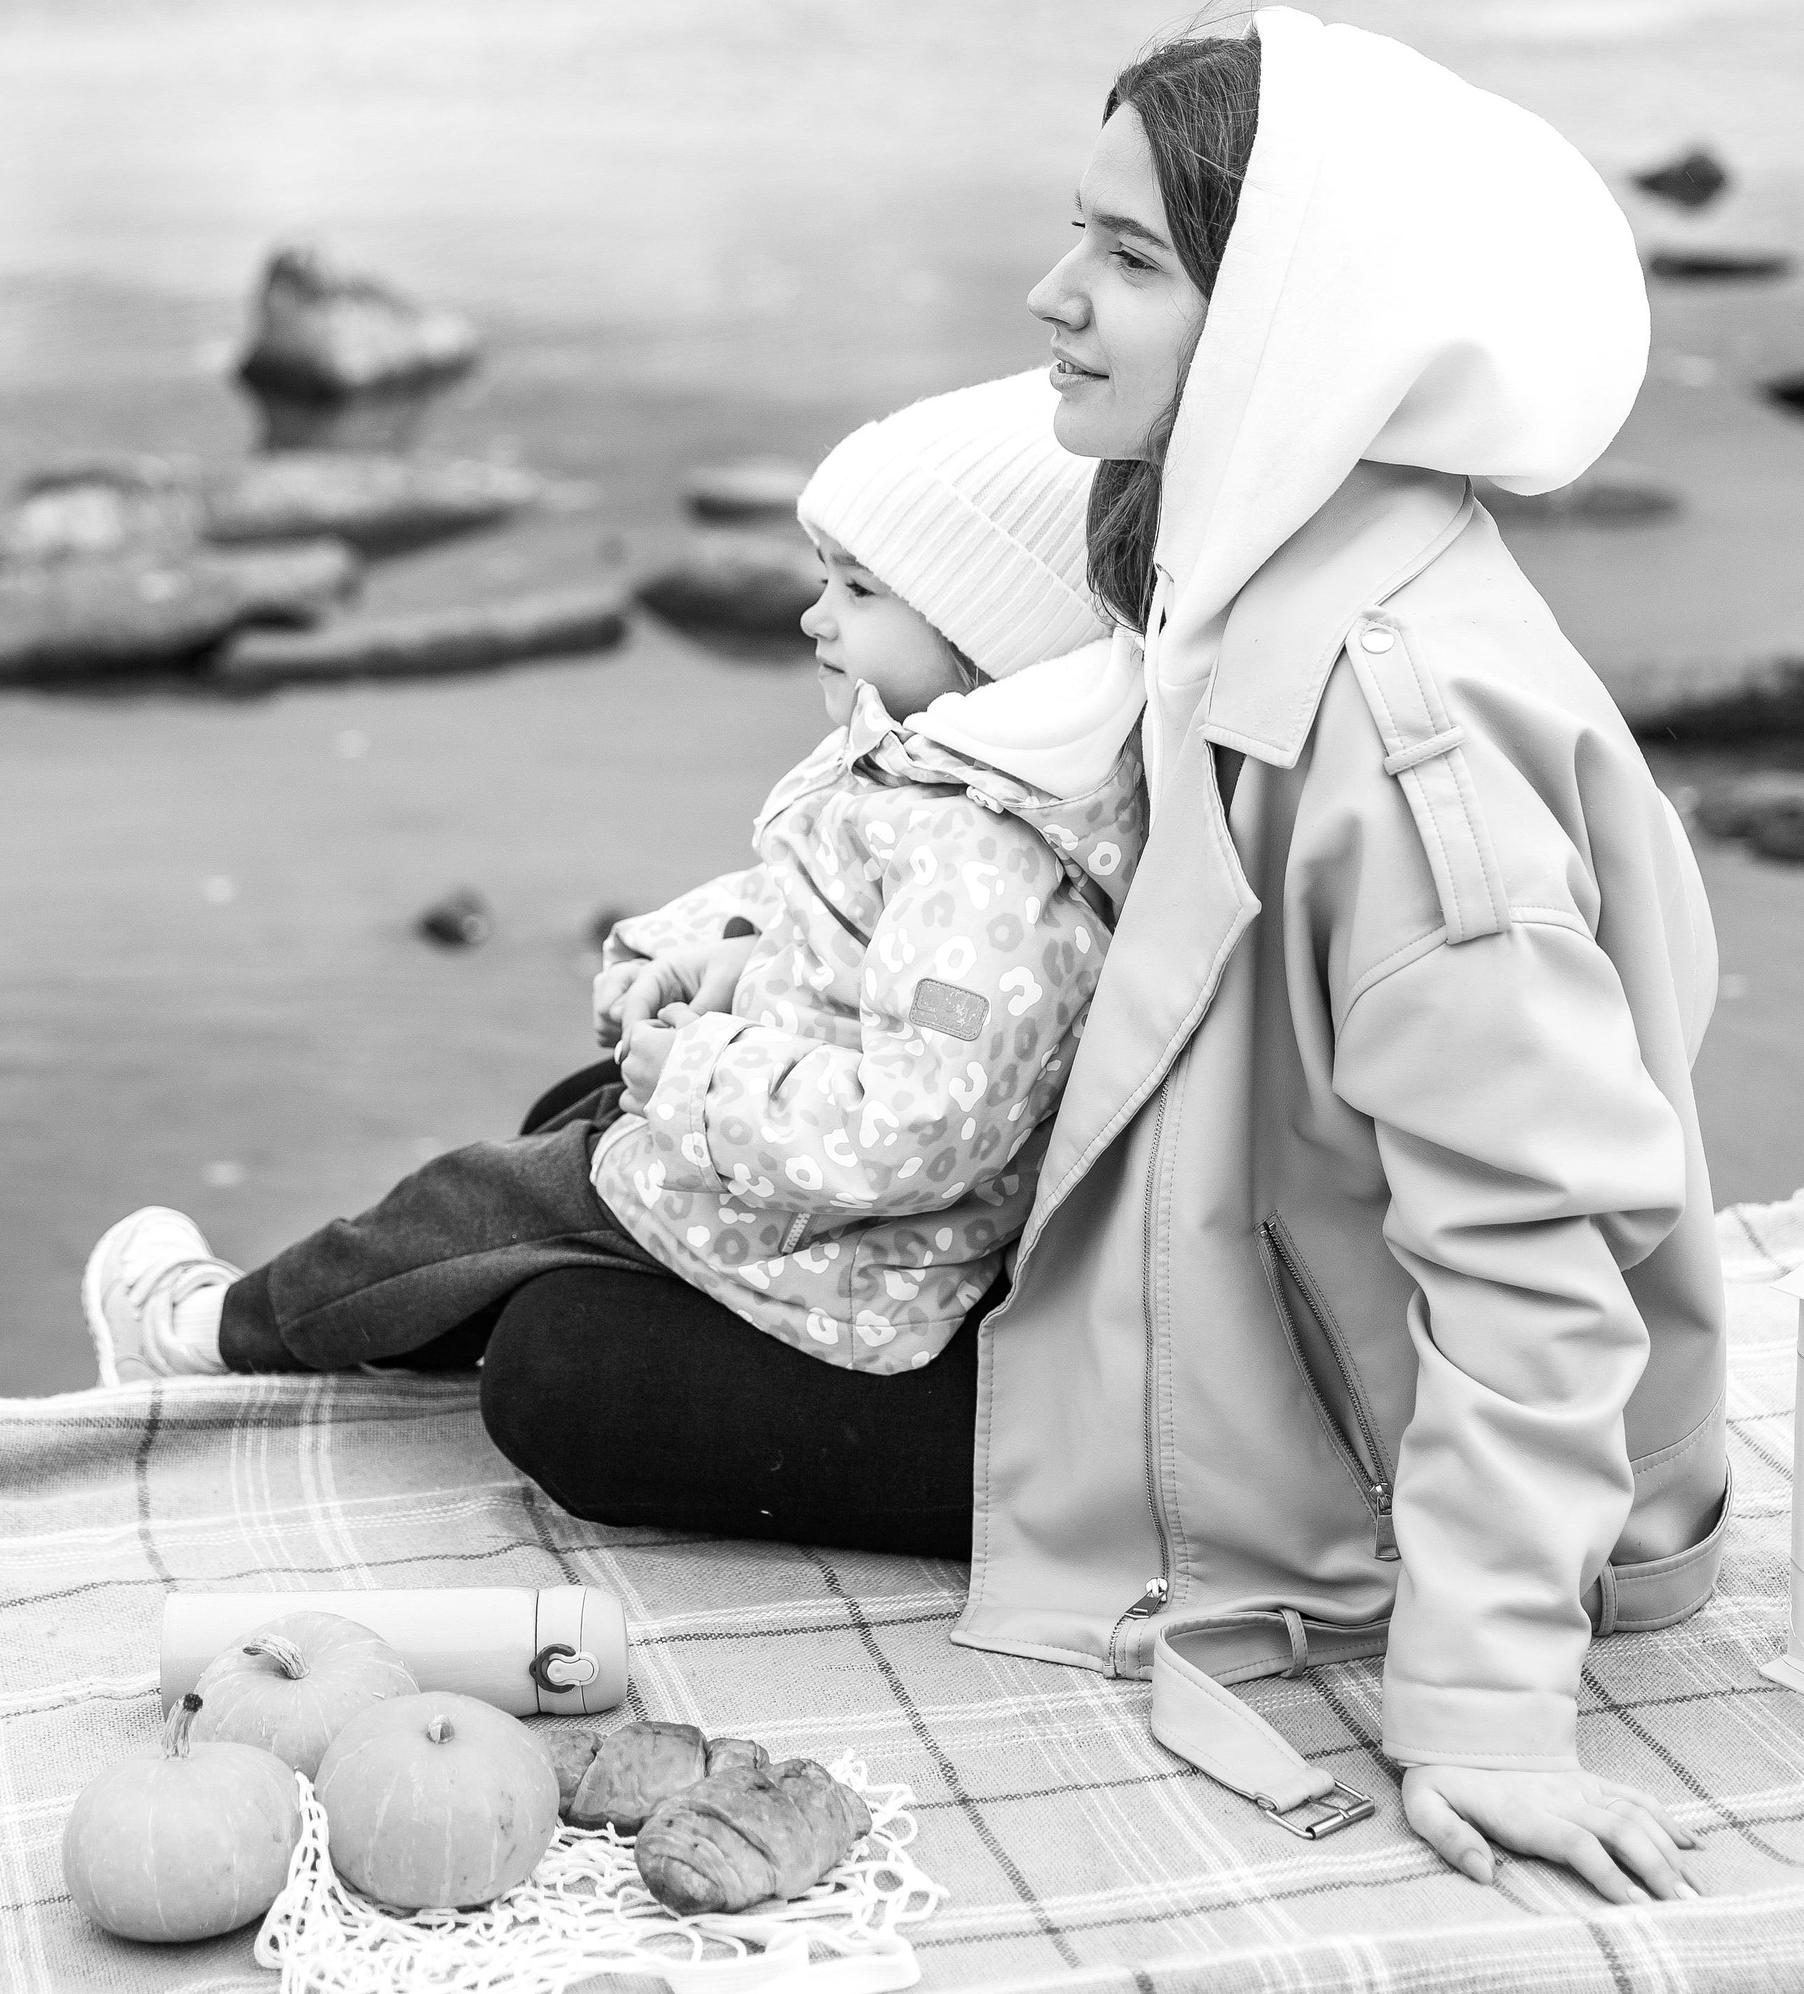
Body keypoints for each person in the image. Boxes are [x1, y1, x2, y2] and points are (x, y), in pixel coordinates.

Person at [485, 8, 1726, 1910]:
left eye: (1133, 257)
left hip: (1325, 1444)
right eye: (1080, 231)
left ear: (1295, 319)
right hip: (1211, 1295)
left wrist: (1485, 1709)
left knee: (566, 1368)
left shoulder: (1407, 744)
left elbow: (1536, 1253)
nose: (1053, 294)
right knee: (593, 1126)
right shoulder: (1262, 561)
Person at [83, 370, 1145, 1434]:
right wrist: (716, 949)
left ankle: (204, 1334)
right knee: (542, 1156)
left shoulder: (984, 862)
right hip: (799, 1198)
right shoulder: (944, 777)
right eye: (824, 577)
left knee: (472, 1204)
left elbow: (917, 1123)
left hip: (827, 1254)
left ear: (984, 628)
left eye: (860, 592)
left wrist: (692, 1073)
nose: (814, 614)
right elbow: (842, 924)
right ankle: (359, 1335)